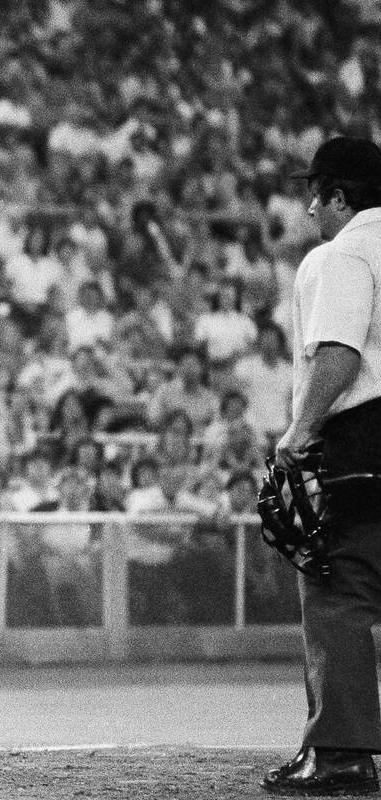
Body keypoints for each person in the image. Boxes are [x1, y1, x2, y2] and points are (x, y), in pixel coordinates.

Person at [261, 136, 381, 796]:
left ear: (341, 195)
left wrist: (299, 430)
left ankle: (339, 753)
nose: (311, 209)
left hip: (365, 438)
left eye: (318, 195)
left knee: (338, 589)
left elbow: (339, 353)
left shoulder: (348, 249)